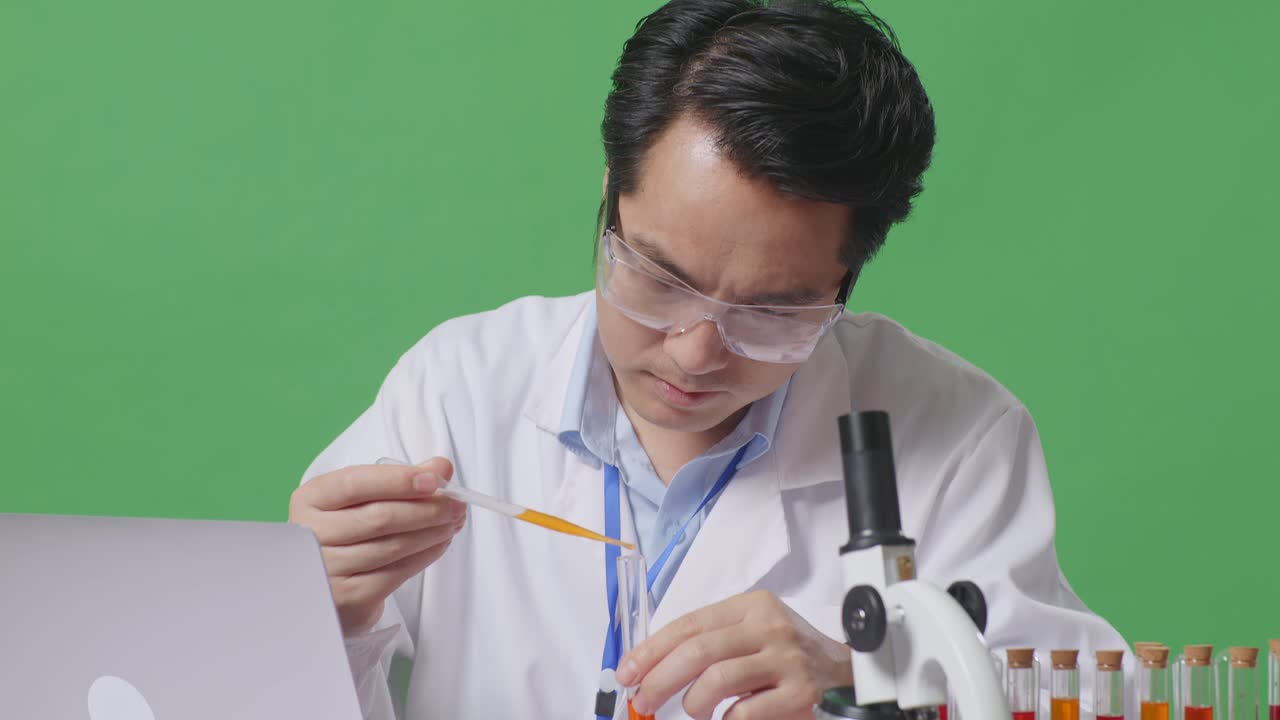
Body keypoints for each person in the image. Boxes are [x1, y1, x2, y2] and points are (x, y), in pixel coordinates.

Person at [289, 1, 1126, 718]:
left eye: (771, 310)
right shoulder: (461, 388)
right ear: (614, 192)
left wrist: (872, 682)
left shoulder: (957, 433)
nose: (694, 352)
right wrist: (319, 608)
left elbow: (1090, 699)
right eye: (658, 277)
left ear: (847, 279)